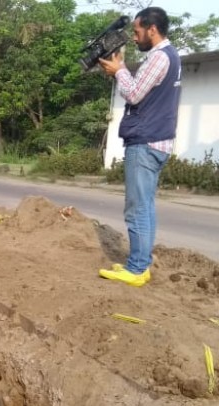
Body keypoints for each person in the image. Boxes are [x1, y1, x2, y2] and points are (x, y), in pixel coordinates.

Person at [98, 7, 181, 287]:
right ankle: (141, 265)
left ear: (152, 29)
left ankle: (135, 269)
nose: (134, 38)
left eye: (137, 31)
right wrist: (119, 71)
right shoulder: (170, 56)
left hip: (146, 143)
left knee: (136, 209)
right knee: (145, 207)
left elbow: (133, 93)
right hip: (156, 141)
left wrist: (119, 70)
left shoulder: (159, 58)